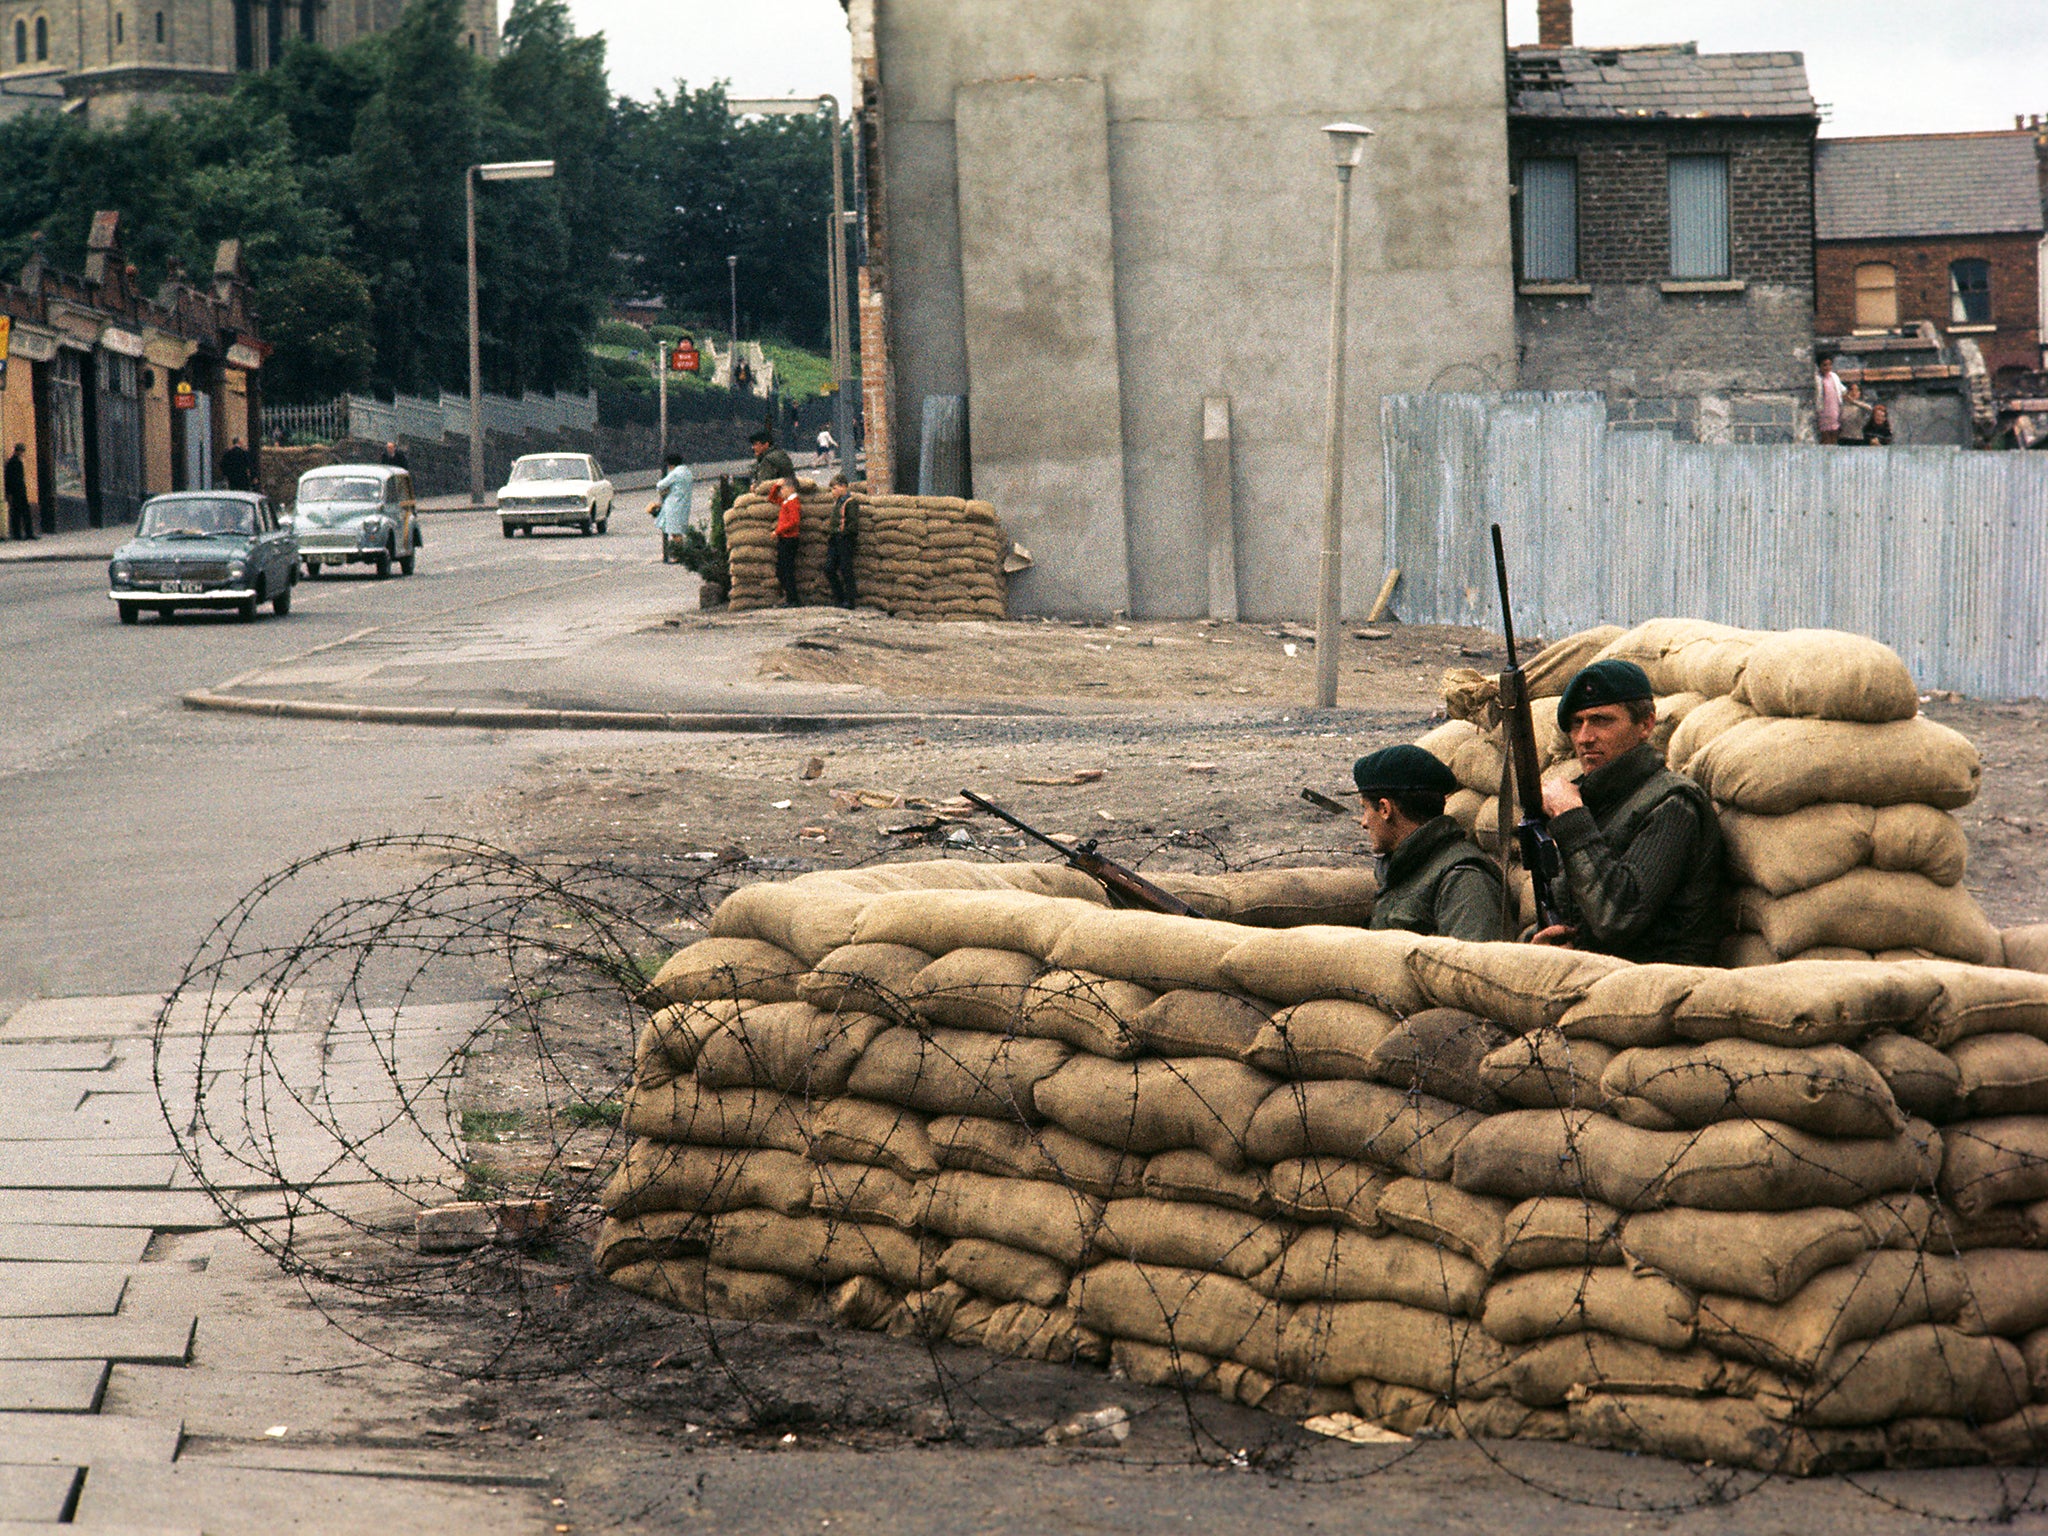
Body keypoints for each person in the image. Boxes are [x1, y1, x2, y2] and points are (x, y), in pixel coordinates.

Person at [1535, 660, 1727, 965]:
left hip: (1658, 989)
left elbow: (1617, 917)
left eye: (1601, 720)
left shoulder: (1673, 804)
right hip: (1600, 980)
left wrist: (1572, 820)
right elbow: (1576, 912)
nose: (1585, 737)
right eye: (1576, 723)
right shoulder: (1591, 802)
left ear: (1646, 725)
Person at [1353, 745, 1506, 942]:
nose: (1364, 822)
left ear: (1384, 809)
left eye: (1365, 809)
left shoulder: (1464, 879)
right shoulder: (1406, 867)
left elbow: (1473, 966)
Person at [650, 452, 694, 564]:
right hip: (684, 503)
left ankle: (679, 555)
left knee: (674, 531)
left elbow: (660, 485)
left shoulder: (675, 473)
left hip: (674, 504)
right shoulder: (687, 472)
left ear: (671, 465)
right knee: (678, 530)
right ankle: (681, 554)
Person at [824, 472, 859, 608]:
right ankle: (839, 597)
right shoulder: (837, 503)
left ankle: (850, 601)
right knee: (829, 568)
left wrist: (842, 532)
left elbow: (853, 525)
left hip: (845, 540)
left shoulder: (850, 503)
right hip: (835, 540)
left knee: (846, 569)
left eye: (835, 488)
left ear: (843, 487)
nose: (833, 491)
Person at [767, 478, 803, 606]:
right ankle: (790, 598)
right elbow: (771, 498)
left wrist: (777, 531)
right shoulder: (786, 501)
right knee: (783, 570)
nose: (781, 491)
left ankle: (792, 599)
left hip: (789, 539)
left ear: (791, 488)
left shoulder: (793, 503)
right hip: (785, 538)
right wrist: (776, 485)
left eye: (783, 488)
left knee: (786, 570)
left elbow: (794, 522)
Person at [5, 443, 33, 541]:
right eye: (22, 451)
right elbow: (13, 479)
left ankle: (19, 534)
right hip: (18, 492)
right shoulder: (15, 462)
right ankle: (26, 533)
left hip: (16, 491)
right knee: (23, 513)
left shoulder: (12, 462)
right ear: (19, 451)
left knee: (17, 513)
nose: (23, 453)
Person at [1816, 355, 1844, 445]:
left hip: (1834, 408)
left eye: (1829, 365)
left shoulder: (1834, 377)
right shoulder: (1817, 378)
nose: (1827, 367)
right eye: (1824, 365)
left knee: (1835, 433)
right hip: (1823, 409)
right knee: (1825, 435)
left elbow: (1841, 389)